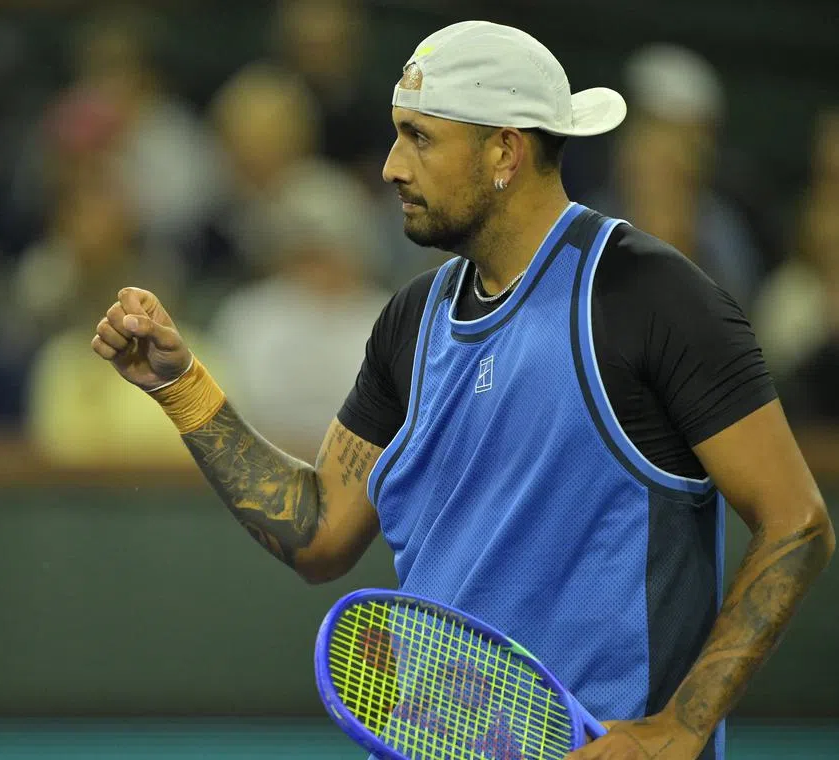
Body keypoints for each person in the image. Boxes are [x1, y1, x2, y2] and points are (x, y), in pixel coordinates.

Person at [90, 21, 833, 760]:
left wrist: (683, 724)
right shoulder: (409, 322)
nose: (389, 166)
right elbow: (318, 534)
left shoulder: (651, 296)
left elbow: (796, 523)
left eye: (419, 137)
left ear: (504, 151)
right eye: (394, 135)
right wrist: (180, 388)